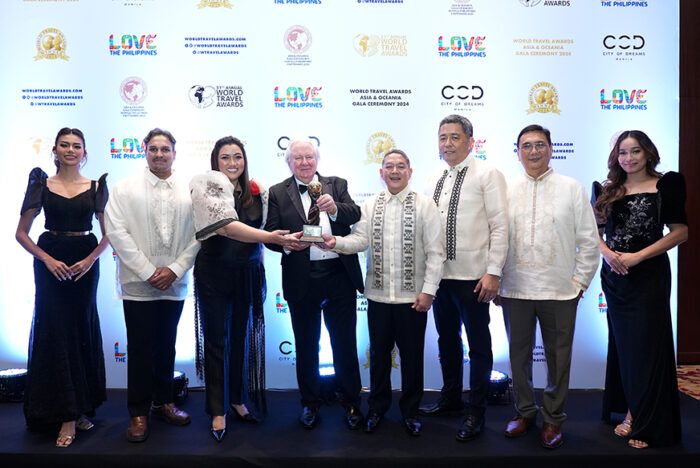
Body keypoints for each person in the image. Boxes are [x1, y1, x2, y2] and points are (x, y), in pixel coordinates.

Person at [319, 150, 445, 436]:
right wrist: (334, 242)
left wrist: (428, 292)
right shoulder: (370, 204)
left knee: (412, 359)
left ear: (410, 172)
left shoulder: (425, 205)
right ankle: (377, 409)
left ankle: (411, 412)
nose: (395, 171)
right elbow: (360, 240)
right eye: (389, 166)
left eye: (401, 166)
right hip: (376, 298)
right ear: (381, 172)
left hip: (413, 300)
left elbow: (436, 253)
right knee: (378, 358)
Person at [498, 124, 599, 449]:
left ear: (551, 149)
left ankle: (554, 418)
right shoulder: (506, 189)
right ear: (517, 152)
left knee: (559, 358)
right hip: (515, 290)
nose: (533, 151)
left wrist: (579, 282)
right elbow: (495, 238)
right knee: (518, 357)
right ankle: (525, 412)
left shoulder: (571, 188)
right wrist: (496, 279)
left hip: (560, 291)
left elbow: (589, 239)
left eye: (539, 144)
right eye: (526, 146)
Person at [190, 137, 291, 442]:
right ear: (215, 161)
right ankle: (217, 410)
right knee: (217, 342)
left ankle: (237, 399)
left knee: (240, 341)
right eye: (225, 157)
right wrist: (271, 237)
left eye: (238, 157)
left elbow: (262, 234)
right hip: (214, 274)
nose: (232, 163)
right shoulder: (204, 185)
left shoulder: (256, 192)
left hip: (247, 274)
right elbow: (226, 227)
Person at [592, 130, 687, 449]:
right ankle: (630, 407)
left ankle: (641, 418)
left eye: (635, 151)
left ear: (648, 153)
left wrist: (637, 257)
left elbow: (680, 233)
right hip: (616, 278)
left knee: (647, 349)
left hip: (648, 275)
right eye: (622, 152)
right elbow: (593, 232)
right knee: (625, 347)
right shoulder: (608, 189)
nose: (628, 158)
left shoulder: (667, 184)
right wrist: (608, 254)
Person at [105, 128, 200, 443]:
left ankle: (164, 403)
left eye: (165, 149)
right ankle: (137, 413)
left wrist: (174, 269)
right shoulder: (124, 188)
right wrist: (148, 271)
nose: (159, 154)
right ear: (144, 150)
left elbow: (200, 234)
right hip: (138, 284)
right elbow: (116, 231)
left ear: (175, 152)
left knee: (166, 346)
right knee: (141, 349)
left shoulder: (191, 190)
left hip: (175, 283)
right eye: (153, 149)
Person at [16, 127, 108, 448]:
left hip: (84, 263)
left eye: (76, 146)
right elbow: (22, 233)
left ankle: (78, 408)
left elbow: (109, 234)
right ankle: (66, 414)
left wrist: (91, 260)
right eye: (65, 145)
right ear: (55, 150)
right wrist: (47, 260)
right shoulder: (41, 185)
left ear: (85, 151)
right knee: (54, 331)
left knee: (79, 330)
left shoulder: (97, 186)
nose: (71, 150)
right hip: (50, 262)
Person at [420, 114, 509, 442]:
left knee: (480, 345)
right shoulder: (433, 177)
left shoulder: (488, 173)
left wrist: (494, 272)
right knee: (447, 341)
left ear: (470, 141)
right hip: (440, 277)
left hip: (474, 277)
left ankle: (477, 410)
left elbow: (500, 226)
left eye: (455, 137)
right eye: (443, 137)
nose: (448, 143)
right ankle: (451, 398)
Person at [265, 137, 364, 430]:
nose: (304, 163)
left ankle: (352, 402)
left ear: (317, 160)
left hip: (338, 276)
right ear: (289, 162)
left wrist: (334, 209)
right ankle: (310, 403)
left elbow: (354, 214)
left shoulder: (337, 184)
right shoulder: (276, 192)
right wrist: (285, 244)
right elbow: (270, 233)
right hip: (301, 278)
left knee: (344, 342)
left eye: (309, 157)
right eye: (298, 158)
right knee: (307, 345)